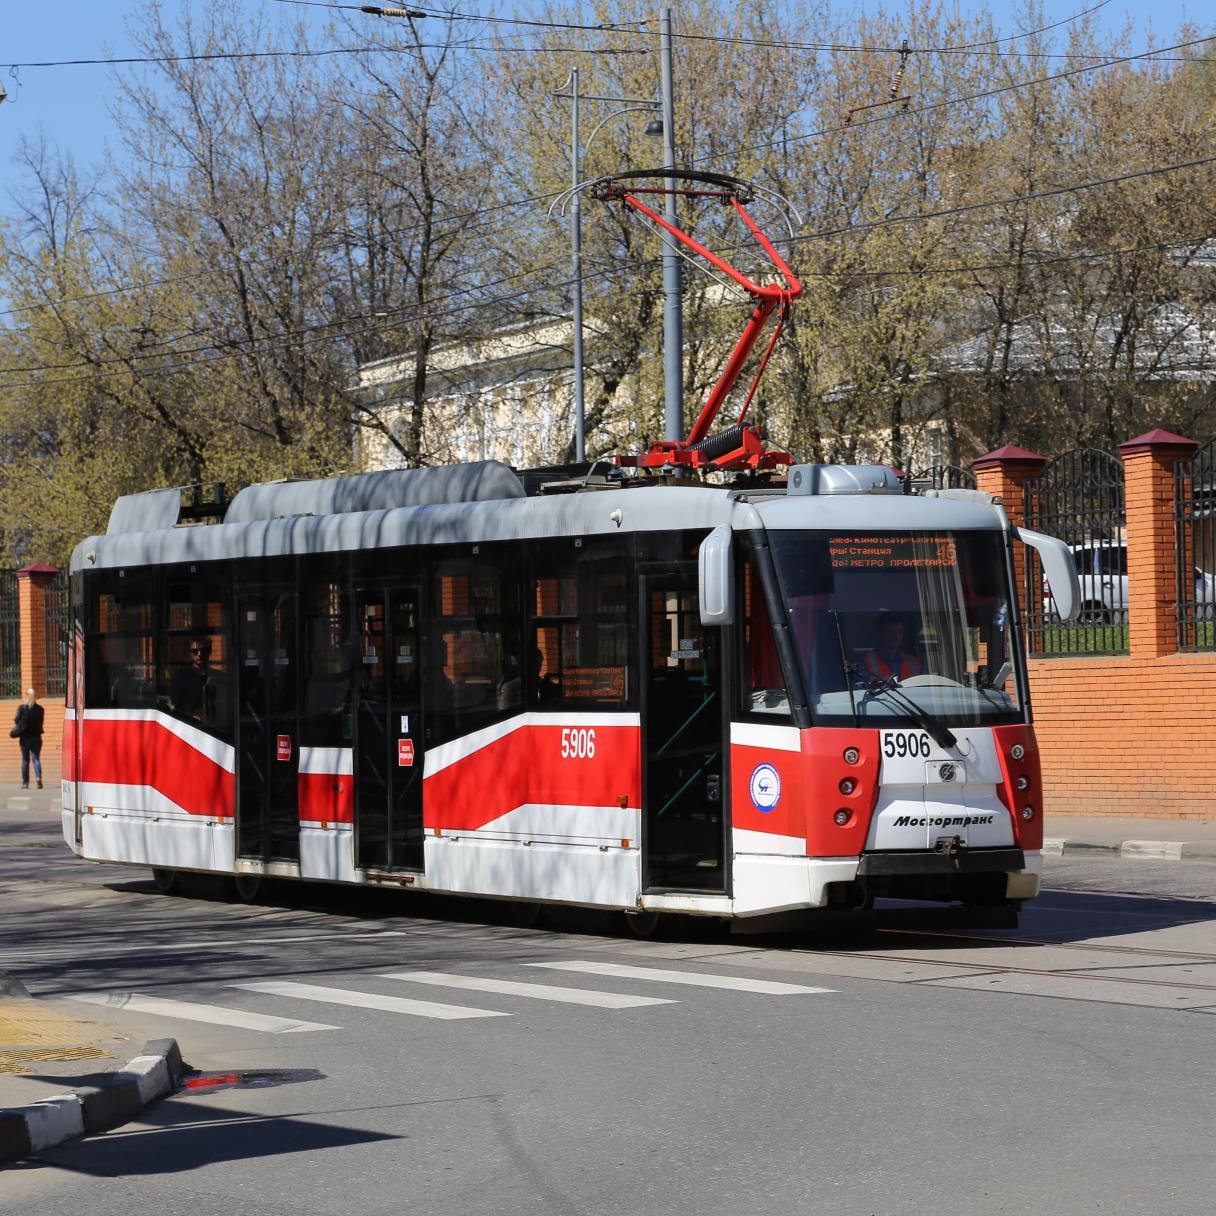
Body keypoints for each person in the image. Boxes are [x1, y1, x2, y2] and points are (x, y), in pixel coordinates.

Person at [862, 613, 923, 682]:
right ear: (881, 633)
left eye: (899, 631)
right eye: (891, 631)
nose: (896, 635)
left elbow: (926, 685)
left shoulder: (913, 662)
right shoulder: (866, 663)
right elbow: (860, 689)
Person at [169, 637, 213, 721]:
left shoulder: (217, 675)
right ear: (190, 653)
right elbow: (174, 705)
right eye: (195, 651)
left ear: (209, 651)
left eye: (203, 650)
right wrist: (191, 715)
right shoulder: (180, 676)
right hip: (189, 725)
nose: (199, 654)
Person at [11, 688, 45, 789]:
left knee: (25, 760)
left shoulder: (22, 708)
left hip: (24, 738)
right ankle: (38, 778)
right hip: (36, 738)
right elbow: (40, 723)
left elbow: (17, 721)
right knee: (36, 759)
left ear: (26, 696)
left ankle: (25, 783)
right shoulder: (40, 709)